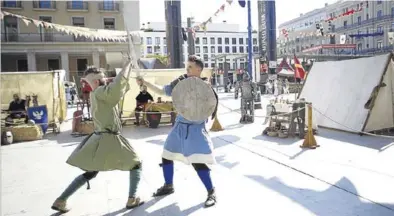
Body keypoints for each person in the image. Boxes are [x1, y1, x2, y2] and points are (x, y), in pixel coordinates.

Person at [51, 60, 144, 213]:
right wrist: (127, 66)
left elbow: (116, 90)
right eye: (103, 79)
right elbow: (115, 89)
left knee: (91, 172)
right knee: (136, 164)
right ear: (96, 81)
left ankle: (61, 200)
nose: (106, 80)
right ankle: (132, 199)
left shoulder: (97, 94)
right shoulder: (101, 92)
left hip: (100, 138)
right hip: (110, 139)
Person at [152, 55, 218, 207]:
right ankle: (168, 186)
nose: (187, 70)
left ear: (199, 69)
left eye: (190, 67)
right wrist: (146, 84)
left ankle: (211, 192)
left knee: (198, 162)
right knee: (167, 155)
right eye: (186, 67)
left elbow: (210, 107)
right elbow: (164, 91)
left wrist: (205, 90)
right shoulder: (180, 80)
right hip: (179, 126)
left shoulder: (205, 85)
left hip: (195, 129)